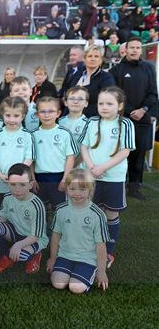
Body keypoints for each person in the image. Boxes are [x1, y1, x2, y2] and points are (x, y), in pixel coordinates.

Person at [80, 86, 135, 268]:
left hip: (113, 178)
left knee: (111, 213)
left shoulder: (125, 124)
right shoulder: (92, 122)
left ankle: (109, 251)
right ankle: (89, 246)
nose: (104, 107)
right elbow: (84, 147)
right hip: (92, 176)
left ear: (119, 106)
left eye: (109, 103)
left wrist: (103, 167)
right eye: (101, 103)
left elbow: (125, 151)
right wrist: (92, 167)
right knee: (92, 212)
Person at [110, 37, 159, 200]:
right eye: (132, 47)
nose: (135, 50)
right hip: (122, 119)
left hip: (142, 119)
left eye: (138, 47)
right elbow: (115, 95)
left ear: (140, 50)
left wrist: (144, 110)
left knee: (138, 155)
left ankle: (134, 187)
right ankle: (119, 184)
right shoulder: (116, 70)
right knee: (121, 154)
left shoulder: (149, 68)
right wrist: (131, 111)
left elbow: (153, 93)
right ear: (126, 49)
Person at [47, 169, 109, 294]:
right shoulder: (61, 210)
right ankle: (70, 271)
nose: (77, 193)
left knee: (76, 288)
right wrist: (53, 258)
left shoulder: (98, 214)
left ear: (90, 190)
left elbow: (100, 245)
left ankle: (93, 270)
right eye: (72, 188)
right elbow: (56, 235)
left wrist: (102, 272)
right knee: (58, 283)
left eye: (82, 189)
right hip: (65, 255)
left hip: (87, 258)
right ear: (67, 188)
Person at [0, 163, 48, 274]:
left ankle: (36, 254)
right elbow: (4, 215)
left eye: (22, 185)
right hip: (16, 233)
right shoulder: (8, 197)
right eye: (13, 184)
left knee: (21, 256)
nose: (17, 189)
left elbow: (36, 235)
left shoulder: (36, 205)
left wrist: (19, 245)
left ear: (30, 185)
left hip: (34, 237)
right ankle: (6, 257)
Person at [0, 97, 34, 220]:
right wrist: (1, 175)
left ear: (23, 116)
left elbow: (29, 158)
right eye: (8, 115)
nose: (12, 119)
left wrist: (16, 176)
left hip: (19, 182)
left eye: (16, 115)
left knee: (16, 211)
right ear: (2, 115)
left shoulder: (27, 135)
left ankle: (14, 233)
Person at [32, 96, 78, 209]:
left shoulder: (65, 133)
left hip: (59, 178)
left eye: (51, 111)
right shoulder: (32, 135)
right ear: (37, 114)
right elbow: (31, 160)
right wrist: (32, 179)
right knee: (39, 209)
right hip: (39, 179)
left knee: (61, 209)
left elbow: (70, 158)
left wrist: (65, 179)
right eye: (42, 111)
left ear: (58, 113)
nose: (46, 115)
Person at [67, 45, 115, 117]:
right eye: (90, 56)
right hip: (72, 117)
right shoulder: (76, 75)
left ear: (101, 60)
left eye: (96, 56)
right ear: (84, 59)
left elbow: (107, 102)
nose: (93, 59)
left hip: (93, 119)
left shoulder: (106, 78)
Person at [59, 86, 90, 166]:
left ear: (86, 103)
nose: (75, 101)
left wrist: (72, 166)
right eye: (72, 98)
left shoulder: (89, 124)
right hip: (59, 167)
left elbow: (86, 150)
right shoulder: (59, 122)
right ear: (65, 102)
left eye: (80, 99)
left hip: (78, 169)